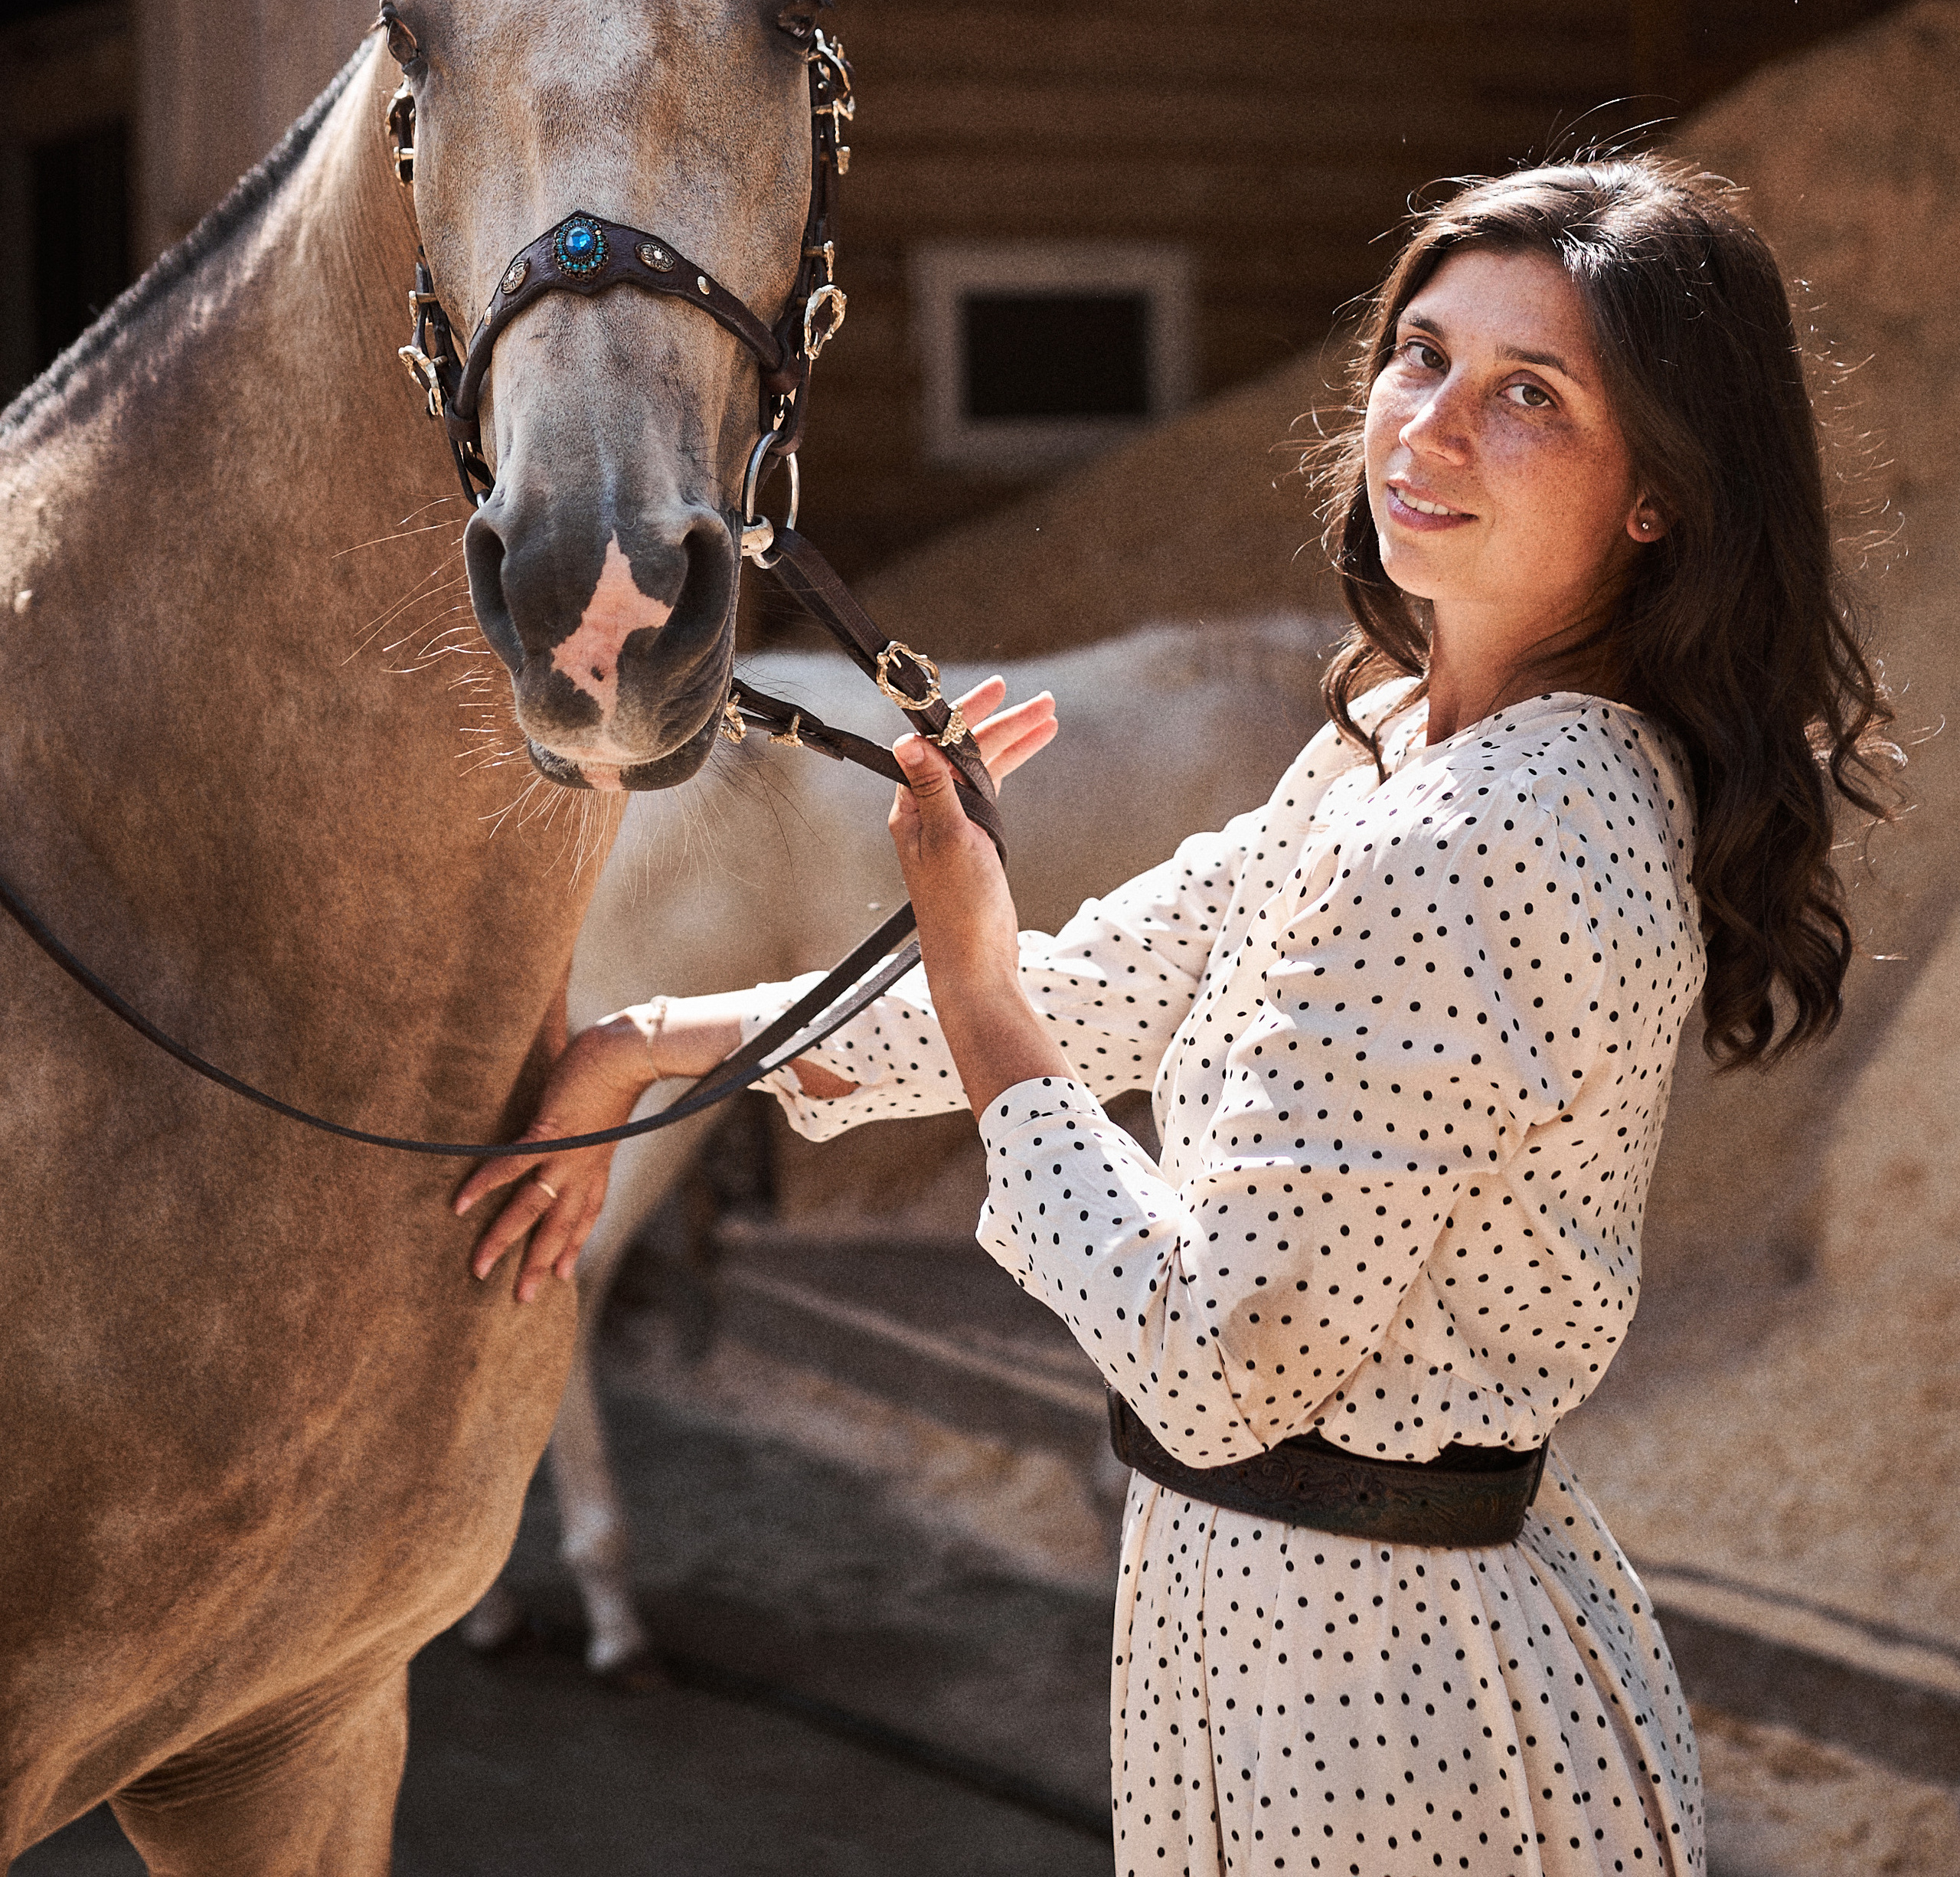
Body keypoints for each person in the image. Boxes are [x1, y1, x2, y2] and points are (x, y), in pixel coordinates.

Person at [457, 155, 1893, 1877]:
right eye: (1422, 354)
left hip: (1372, 1697)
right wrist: (657, 1041)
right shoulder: (1392, 749)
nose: (1431, 428)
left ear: (1657, 492)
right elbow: (1089, 993)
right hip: (1287, 1632)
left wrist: (974, 982)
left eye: (1532, 395)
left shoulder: (1476, 834)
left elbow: (1220, 1358)